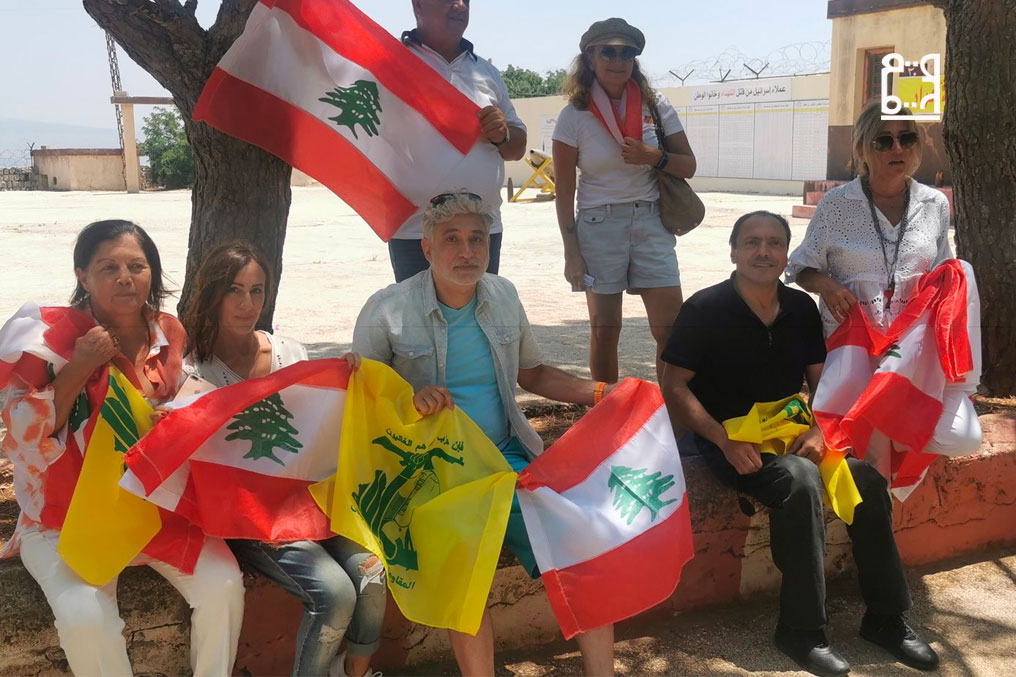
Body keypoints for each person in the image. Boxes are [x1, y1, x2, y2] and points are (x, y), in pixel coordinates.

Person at [660, 211, 939, 677]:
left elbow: (821, 380)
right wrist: (721, 439)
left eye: (773, 243)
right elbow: (674, 385)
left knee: (867, 481)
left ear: (786, 254)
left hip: (793, 432)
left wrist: (821, 430)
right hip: (732, 439)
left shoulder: (800, 309)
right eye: (751, 242)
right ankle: (802, 630)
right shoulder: (704, 309)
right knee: (800, 481)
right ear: (733, 251)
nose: (763, 252)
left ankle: (886, 618)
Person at [353, 190, 616, 676]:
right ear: (427, 248)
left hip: (504, 461)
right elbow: (361, 406)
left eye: (478, 239)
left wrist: (602, 393)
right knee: (464, 584)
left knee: (578, 553)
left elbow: (533, 374)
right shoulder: (386, 309)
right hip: (430, 475)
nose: (467, 251)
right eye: (452, 239)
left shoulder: (504, 295)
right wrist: (408, 403)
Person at [0, 220, 243, 676]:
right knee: (85, 619)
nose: (125, 277)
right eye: (108, 266)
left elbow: (187, 399)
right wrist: (79, 366)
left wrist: (176, 417)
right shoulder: (49, 340)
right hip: (67, 517)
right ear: (82, 276)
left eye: (137, 265)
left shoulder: (168, 332)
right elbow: (24, 438)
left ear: (152, 273)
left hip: (155, 508)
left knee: (224, 586)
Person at [180, 241, 386, 677]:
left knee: (371, 575)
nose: (247, 303)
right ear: (212, 292)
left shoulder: (291, 353)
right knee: (334, 593)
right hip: (250, 517)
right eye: (234, 290)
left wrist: (345, 377)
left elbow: (321, 426)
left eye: (257, 290)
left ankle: (355, 673)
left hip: (311, 502)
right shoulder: (192, 371)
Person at [785, 99, 981, 462]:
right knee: (874, 456)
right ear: (861, 148)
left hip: (911, 352)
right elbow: (800, 267)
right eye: (883, 141)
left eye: (906, 138)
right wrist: (826, 285)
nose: (897, 148)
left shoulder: (934, 204)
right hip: (854, 350)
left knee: (965, 438)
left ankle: (920, 405)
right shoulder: (836, 205)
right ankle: (874, 436)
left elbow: (945, 275)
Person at [553, 17, 696, 384]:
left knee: (671, 330)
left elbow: (688, 166)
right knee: (605, 332)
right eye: (608, 51)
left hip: (651, 222)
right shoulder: (573, 116)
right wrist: (572, 251)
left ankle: (669, 415)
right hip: (599, 227)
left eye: (627, 53)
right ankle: (607, 417)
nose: (618, 60)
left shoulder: (655, 104)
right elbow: (564, 191)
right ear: (589, 58)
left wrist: (655, 157)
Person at [389, 0, 527, 282]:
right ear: (418, 6)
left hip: (482, 230)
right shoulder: (389, 65)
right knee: (421, 324)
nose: (460, 5)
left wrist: (503, 134)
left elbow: (518, 147)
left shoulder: (486, 73)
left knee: (477, 323)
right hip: (415, 232)